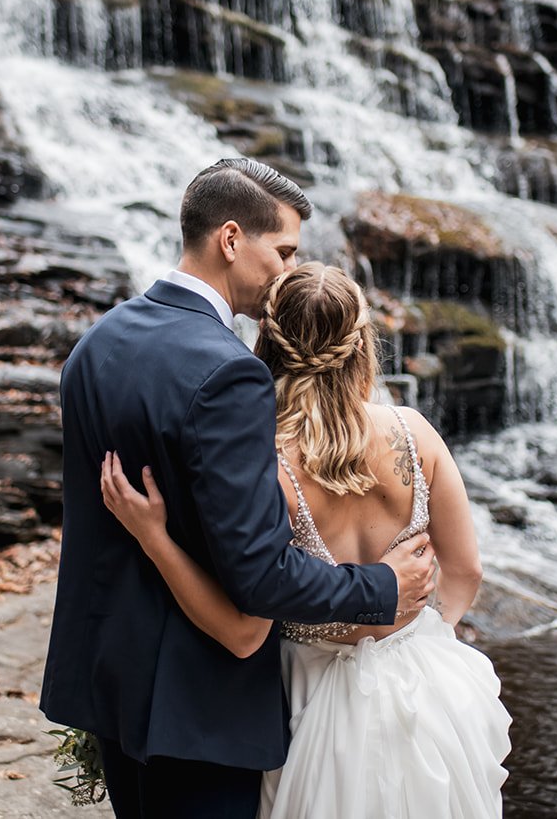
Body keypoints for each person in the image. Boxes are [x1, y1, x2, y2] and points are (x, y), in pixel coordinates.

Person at [40, 160, 439, 819]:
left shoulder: (95, 345)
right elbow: (260, 574)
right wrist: (382, 587)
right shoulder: (228, 374)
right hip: (198, 706)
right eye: (283, 251)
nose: (288, 272)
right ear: (231, 239)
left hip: (110, 683)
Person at [102, 261, 512, 818]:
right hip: (429, 687)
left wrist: (153, 535)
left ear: (267, 343)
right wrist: (423, 637)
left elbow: (244, 619)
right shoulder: (414, 432)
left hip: (308, 698)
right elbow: (465, 572)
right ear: (361, 345)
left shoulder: (264, 462)